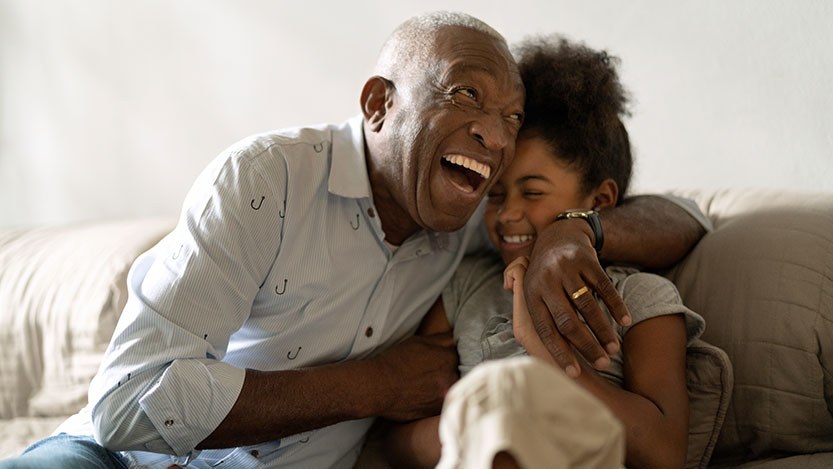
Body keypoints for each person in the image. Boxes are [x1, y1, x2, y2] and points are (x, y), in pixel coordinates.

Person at [0, 13, 707, 469]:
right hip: (109, 456)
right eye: (465, 97)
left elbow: (688, 217)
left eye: (509, 116)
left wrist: (568, 234)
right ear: (378, 103)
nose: (493, 136)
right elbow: (131, 401)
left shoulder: (475, 222)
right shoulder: (267, 179)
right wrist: (372, 383)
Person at [386, 35, 707, 468]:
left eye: (533, 192)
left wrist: (547, 352)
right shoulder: (465, 287)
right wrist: (487, 431)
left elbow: (664, 453)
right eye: (495, 195)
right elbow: (397, 438)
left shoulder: (641, 299)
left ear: (601, 201)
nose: (507, 215)